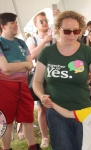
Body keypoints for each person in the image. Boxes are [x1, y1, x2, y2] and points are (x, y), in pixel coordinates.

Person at [32, 10, 91, 150]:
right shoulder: (47, 52)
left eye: (76, 31)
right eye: (67, 31)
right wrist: (41, 95)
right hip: (56, 110)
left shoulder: (86, 52)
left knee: (84, 146)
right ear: (58, 29)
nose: (72, 35)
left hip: (83, 111)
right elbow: (37, 81)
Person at [0, 13, 42, 150]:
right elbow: (4, 68)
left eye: (16, 22)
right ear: (3, 26)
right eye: (12, 23)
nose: (16, 25)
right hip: (5, 87)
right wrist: (22, 65)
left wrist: (13, 67)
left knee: (28, 118)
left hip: (23, 85)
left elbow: (30, 65)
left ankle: (33, 147)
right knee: (7, 121)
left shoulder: (21, 42)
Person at [26, 11, 52, 148]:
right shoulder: (32, 39)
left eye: (45, 20)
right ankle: (45, 137)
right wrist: (44, 41)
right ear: (35, 24)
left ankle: (56, 132)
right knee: (42, 108)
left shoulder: (54, 37)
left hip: (55, 75)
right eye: (41, 21)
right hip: (40, 77)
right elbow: (31, 55)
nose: (44, 23)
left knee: (57, 105)